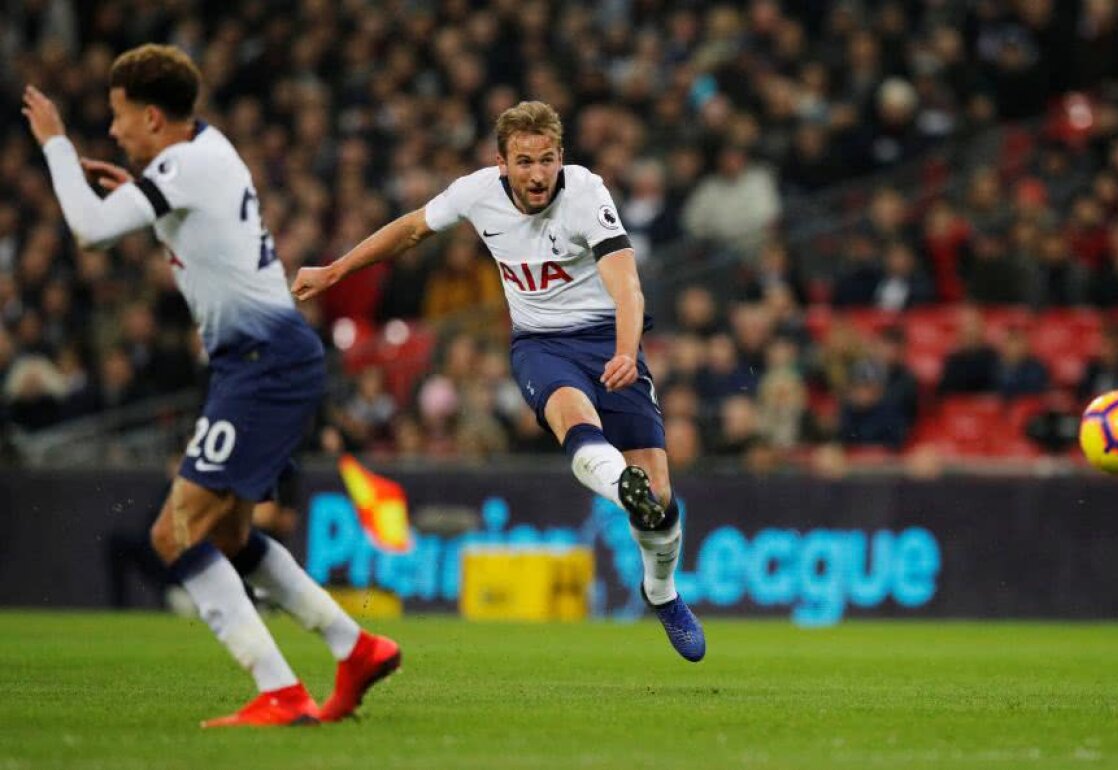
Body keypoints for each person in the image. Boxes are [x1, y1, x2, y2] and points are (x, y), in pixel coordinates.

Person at [23, 44, 398, 726]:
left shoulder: (185, 165)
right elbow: (189, 224)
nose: (113, 130)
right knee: (225, 536)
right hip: (263, 361)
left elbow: (89, 231)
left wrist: (54, 145)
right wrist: (143, 196)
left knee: (174, 535)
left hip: (261, 364)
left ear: (153, 117)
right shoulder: (205, 152)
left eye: (119, 115)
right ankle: (355, 646)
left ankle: (280, 691)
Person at [292, 100, 705, 662]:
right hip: (540, 345)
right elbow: (410, 230)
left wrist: (626, 352)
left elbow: (627, 286)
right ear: (502, 163)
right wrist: (335, 269)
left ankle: (661, 592)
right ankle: (619, 487)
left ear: (562, 157)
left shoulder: (586, 193)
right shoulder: (476, 192)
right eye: (524, 161)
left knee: (659, 495)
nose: (537, 174)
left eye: (547, 159)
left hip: (608, 340)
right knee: (574, 418)